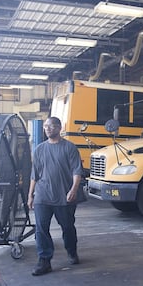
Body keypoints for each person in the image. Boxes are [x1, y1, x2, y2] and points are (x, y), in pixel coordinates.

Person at [27, 116, 83, 276]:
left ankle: (72, 251)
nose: (48, 129)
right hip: (43, 196)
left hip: (64, 197)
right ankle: (44, 260)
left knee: (67, 227)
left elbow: (77, 171)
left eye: (51, 126)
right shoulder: (39, 149)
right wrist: (30, 195)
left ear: (59, 128)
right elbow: (34, 174)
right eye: (45, 126)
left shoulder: (69, 148)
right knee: (41, 228)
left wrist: (73, 189)